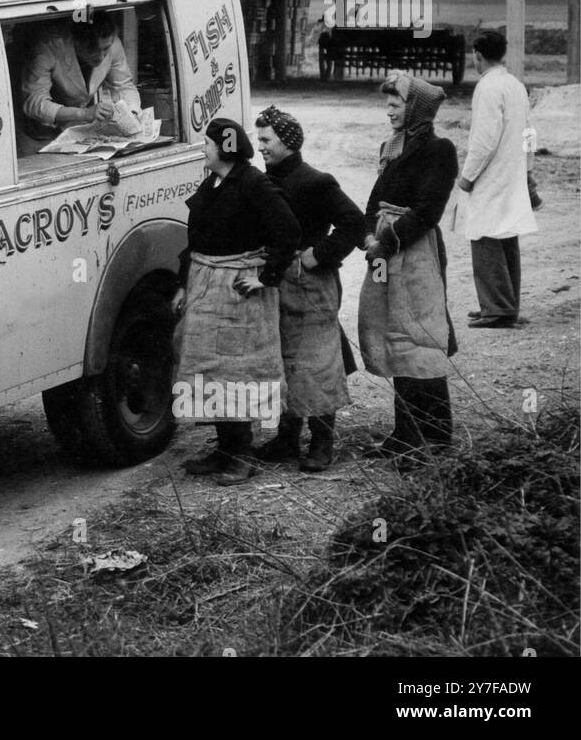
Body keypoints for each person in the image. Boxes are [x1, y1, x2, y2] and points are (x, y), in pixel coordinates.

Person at [171, 118, 300, 485]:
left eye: (208, 144)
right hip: (206, 286)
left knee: (236, 371)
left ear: (225, 147)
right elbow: (195, 241)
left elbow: (288, 230)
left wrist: (265, 276)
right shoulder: (212, 183)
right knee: (212, 370)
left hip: (238, 290)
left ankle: (242, 455)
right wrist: (184, 284)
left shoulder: (253, 184)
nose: (203, 149)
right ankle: (225, 449)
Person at [253, 105, 365, 472]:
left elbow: (354, 222)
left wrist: (321, 254)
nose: (261, 146)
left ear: (286, 141)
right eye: (259, 140)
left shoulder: (316, 181)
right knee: (285, 358)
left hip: (312, 285)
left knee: (318, 361)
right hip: (278, 283)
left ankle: (321, 442)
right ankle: (287, 439)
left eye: (266, 140)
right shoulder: (264, 181)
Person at [358, 71, 459, 464]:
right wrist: (368, 236)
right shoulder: (392, 147)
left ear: (415, 107)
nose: (389, 111)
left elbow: (428, 211)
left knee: (421, 337)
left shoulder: (440, 150)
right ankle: (405, 435)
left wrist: (385, 240)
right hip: (385, 255)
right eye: (388, 104)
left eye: (395, 104)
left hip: (415, 256)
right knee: (394, 335)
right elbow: (374, 201)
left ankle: (433, 441)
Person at [457, 30, 538, 328]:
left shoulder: (488, 87)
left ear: (477, 54)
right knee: (506, 237)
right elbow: (530, 129)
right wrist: (528, 166)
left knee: (484, 236)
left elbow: (484, 139)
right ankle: (505, 304)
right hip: (512, 171)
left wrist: (467, 175)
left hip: (492, 174)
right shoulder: (516, 85)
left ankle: (497, 309)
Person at [19, 12, 141, 143]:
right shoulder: (47, 47)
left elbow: (124, 86)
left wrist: (131, 113)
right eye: (92, 49)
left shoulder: (112, 43)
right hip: (38, 131)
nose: (101, 57)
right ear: (75, 41)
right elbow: (35, 103)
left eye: (105, 49)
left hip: (77, 129)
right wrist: (83, 113)